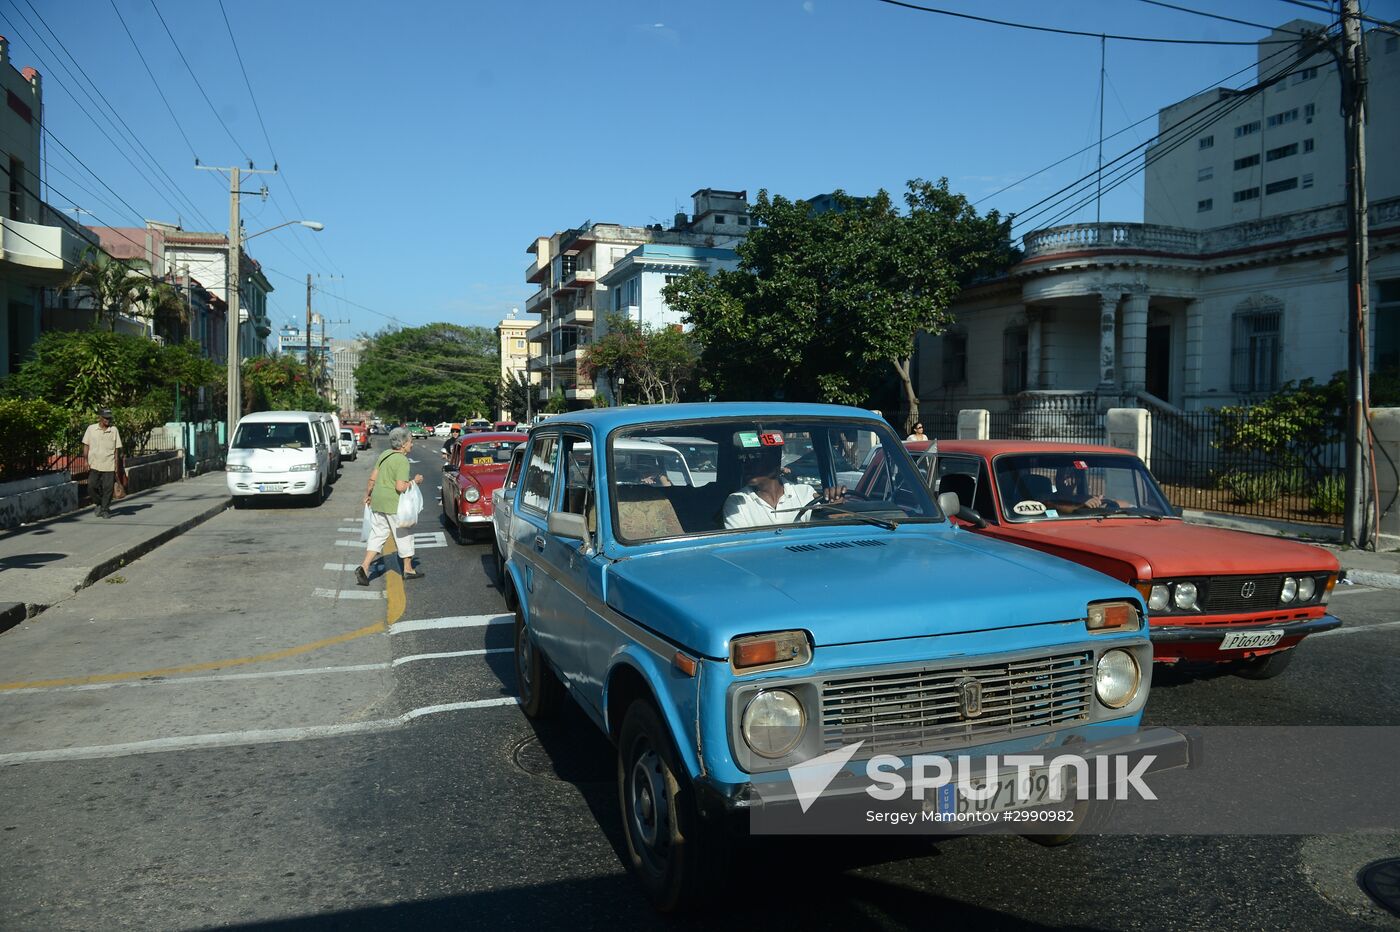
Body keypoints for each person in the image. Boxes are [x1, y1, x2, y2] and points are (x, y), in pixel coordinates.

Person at [357, 427, 426, 585]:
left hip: (377, 501)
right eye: (410, 441)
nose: (412, 445)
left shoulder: (384, 454)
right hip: (393, 504)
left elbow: (372, 479)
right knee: (403, 534)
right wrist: (416, 481)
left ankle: (364, 566)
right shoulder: (402, 460)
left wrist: (367, 495)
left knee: (378, 535)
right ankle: (408, 570)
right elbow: (400, 487)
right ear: (403, 444)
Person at [722, 445, 845, 528]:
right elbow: (741, 547)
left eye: (756, 458)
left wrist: (834, 505)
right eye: (744, 460)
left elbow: (829, 524)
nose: (747, 465)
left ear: (775, 465)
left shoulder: (804, 493)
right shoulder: (737, 502)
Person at [83, 407, 123, 518]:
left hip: (109, 465)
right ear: (100, 417)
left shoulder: (114, 430)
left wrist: (116, 465)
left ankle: (105, 509)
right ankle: (99, 503)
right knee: (91, 486)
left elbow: (116, 449)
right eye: (105, 418)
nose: (107, 420)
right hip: (94, 464)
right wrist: (85, 461)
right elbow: (86, 445)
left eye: (109, 418)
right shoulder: (91, 429)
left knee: (108, 489)